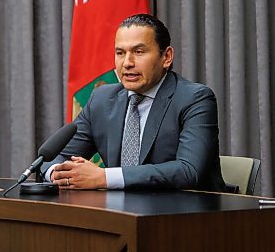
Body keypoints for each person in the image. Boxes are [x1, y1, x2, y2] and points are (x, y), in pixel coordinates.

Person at [43, 14, 226, 192]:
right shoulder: (102, 100)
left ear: (167, 57)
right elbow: (53, 157)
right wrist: (57, 175)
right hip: (120, 214)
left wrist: (104, 177)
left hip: (185, 216)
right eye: (120, 53)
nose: (127, 63)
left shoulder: (194, 99)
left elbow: (188, 171)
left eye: (139, 52)